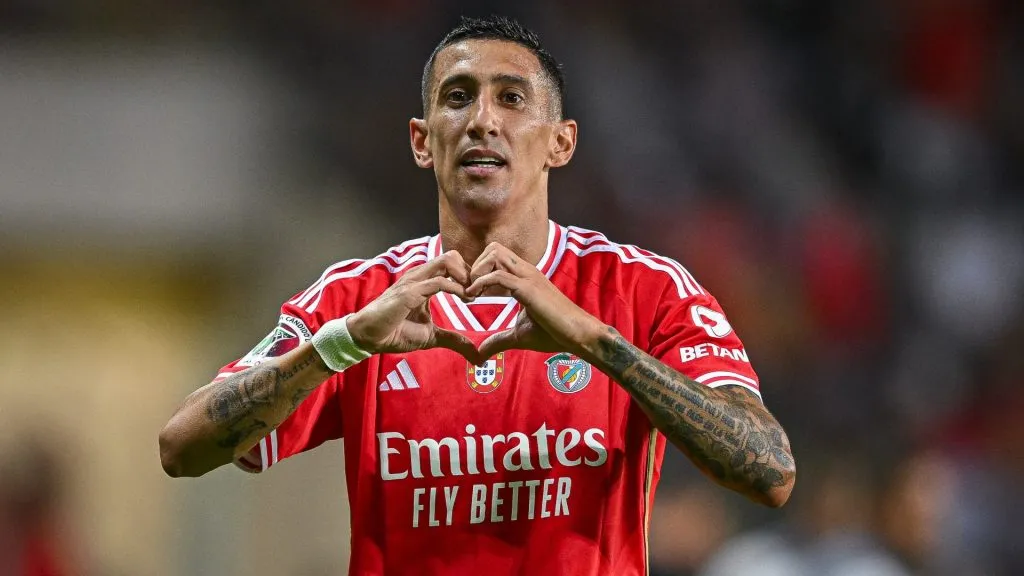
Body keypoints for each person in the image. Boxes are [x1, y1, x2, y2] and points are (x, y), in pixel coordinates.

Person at [158, 15, 796, 575]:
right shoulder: (361, 297)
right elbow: (181, 448)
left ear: (560, 142)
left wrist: (596, 342)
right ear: (421, 140)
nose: (482, 120)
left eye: (512, 99)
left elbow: (769, 470)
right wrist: (339, 345)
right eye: (457, 98)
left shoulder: (642, 288)